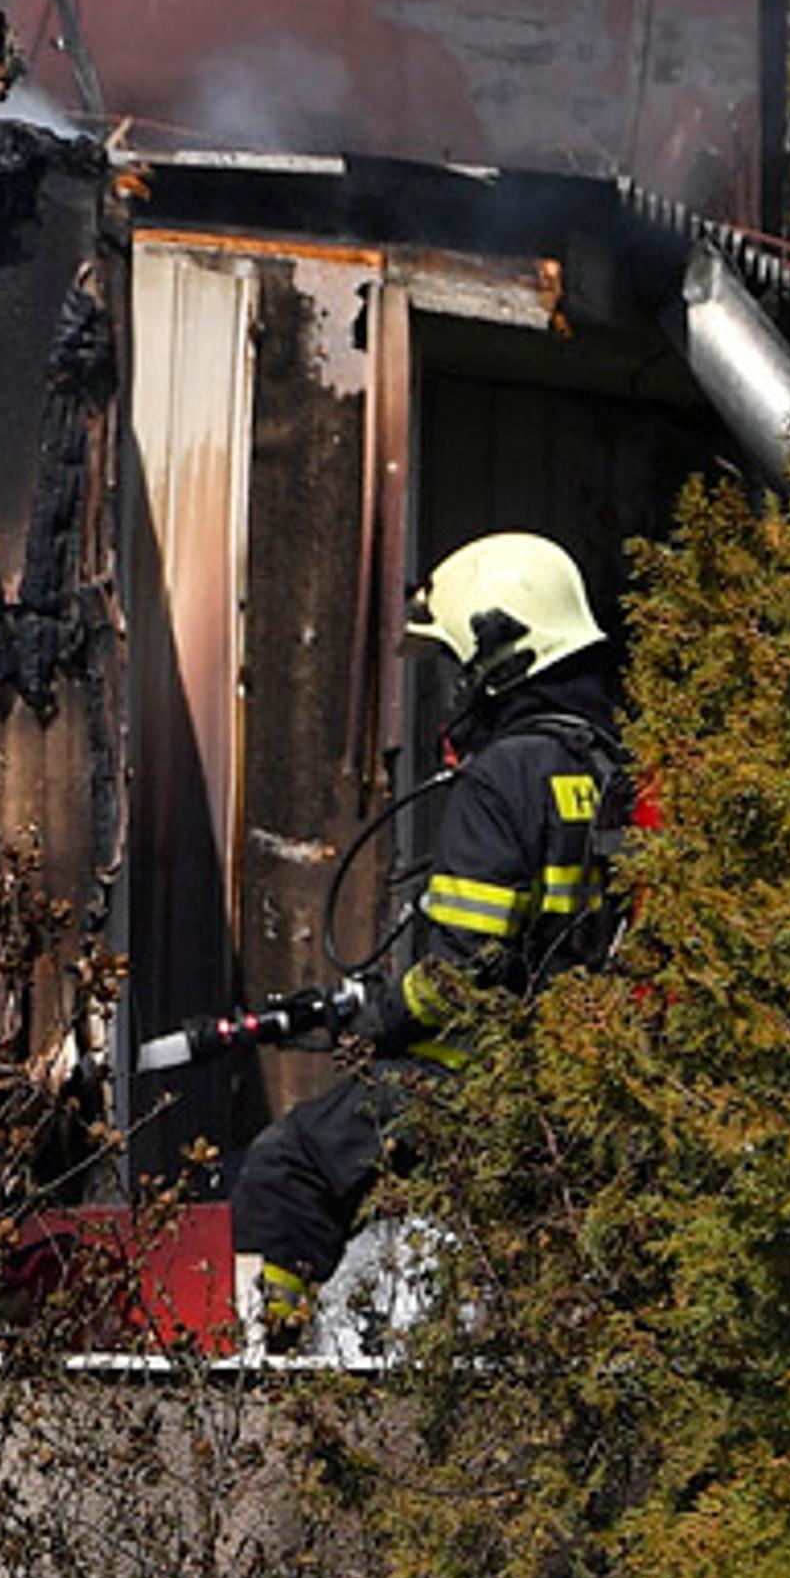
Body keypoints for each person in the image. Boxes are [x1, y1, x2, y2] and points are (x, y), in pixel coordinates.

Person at [229, 531, 631, 1341]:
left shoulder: (506, 775)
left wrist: (375, 1012)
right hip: (593, 1076)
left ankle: (272, 1382)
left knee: (289, 1167)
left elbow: (465, 976)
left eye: (457, 664)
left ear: (500, 658)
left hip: (488, 1076)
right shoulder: (609, 765)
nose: (456, 688)